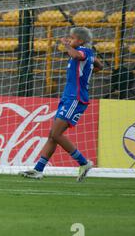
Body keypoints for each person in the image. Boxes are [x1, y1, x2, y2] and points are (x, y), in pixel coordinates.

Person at [19, 27, 103, 182]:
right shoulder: (84, 55)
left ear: (81, 41)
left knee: (56, 134)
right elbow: (100, 65)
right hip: (68, 98)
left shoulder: (83, 51)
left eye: (72, 38)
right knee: (53, 135)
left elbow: (78, 55)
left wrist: (67, 45)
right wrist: (88, 72)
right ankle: (38, 170)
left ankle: (84, 163)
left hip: (75, 98)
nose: (69, 40)